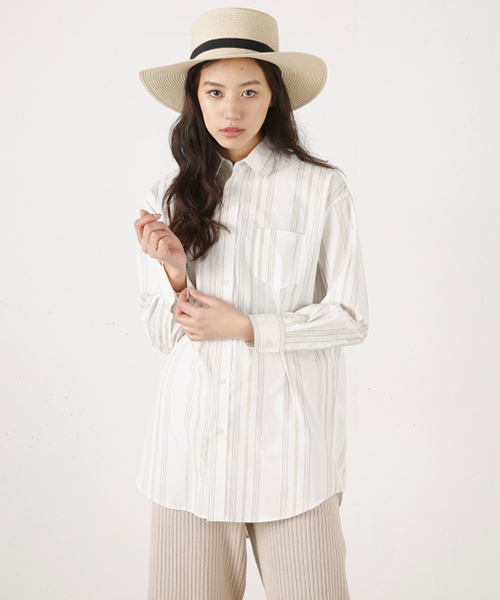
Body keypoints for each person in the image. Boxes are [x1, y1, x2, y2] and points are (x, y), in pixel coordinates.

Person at [133, 7, 369, 600]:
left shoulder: (320, 188)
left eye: (248, 91)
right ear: (196, 99)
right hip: (191, 458)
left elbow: (350, 316)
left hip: (291, 458)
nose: (231, 110)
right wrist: (176, 275)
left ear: (273, 97)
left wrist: (249, 328)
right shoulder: (166, 195)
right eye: (214, 92)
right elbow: (161, 336)